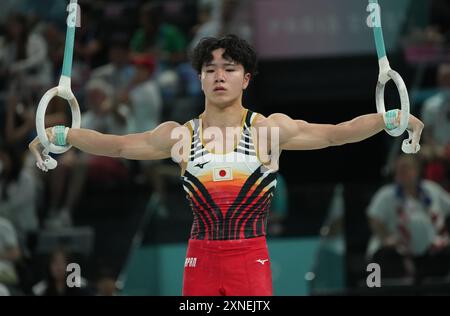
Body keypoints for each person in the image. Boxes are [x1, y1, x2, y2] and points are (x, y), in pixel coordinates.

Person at [29, 34, 424, 296]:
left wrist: (393, 119)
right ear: (199, 79)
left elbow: (338, 133)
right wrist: (60, 134)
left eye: (230, 68)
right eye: (210, 69)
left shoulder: (269, 129)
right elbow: (115, 146)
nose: (219, 75)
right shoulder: (178, 136)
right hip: (199, 259)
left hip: (249, 257)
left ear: (246, 79)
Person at [366, 154, 450, 283]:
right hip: (398, 252)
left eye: (405, 168)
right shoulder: (386, 194)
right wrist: (386, 238)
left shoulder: (431, 189)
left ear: (416, 170)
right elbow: (374, 219)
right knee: (386, 258)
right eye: (398, 169)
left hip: (431, 252)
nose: (400, 172)